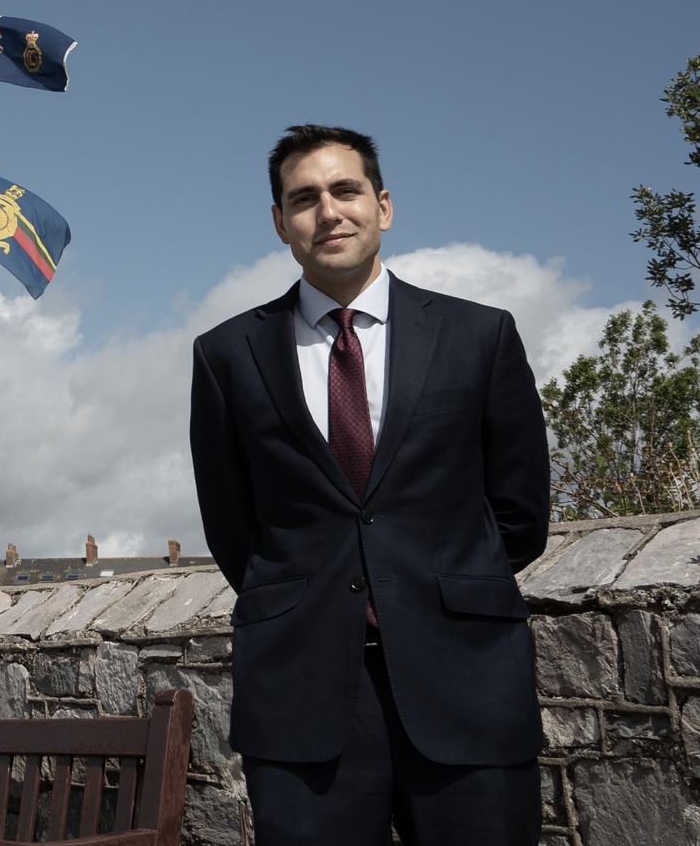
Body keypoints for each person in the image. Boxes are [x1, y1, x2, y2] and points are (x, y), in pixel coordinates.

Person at [189, 125, 548, 846]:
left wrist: (429, 590)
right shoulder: (227, 354)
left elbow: (520, 512)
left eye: (345, 190)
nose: (328, 212)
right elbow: (234, 526)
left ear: (383, 206)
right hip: (302, 693)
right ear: (279, 223)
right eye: (304, 199)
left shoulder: (479, 335)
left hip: (467, 679)